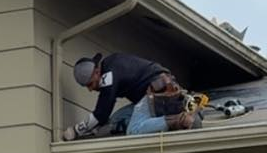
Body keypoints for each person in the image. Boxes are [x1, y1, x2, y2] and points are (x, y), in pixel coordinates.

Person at [64, 52, 200, 139]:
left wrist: (77, 130)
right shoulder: (111, 64)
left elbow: (101, 113)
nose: (90, 89)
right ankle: (166, 117)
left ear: (97, 72)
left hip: (156, 92)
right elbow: (105, 116)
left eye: (90, 84)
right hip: (158, 89)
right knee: (116, 119)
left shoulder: (109, 76)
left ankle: (178, 119)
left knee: (133, 130)